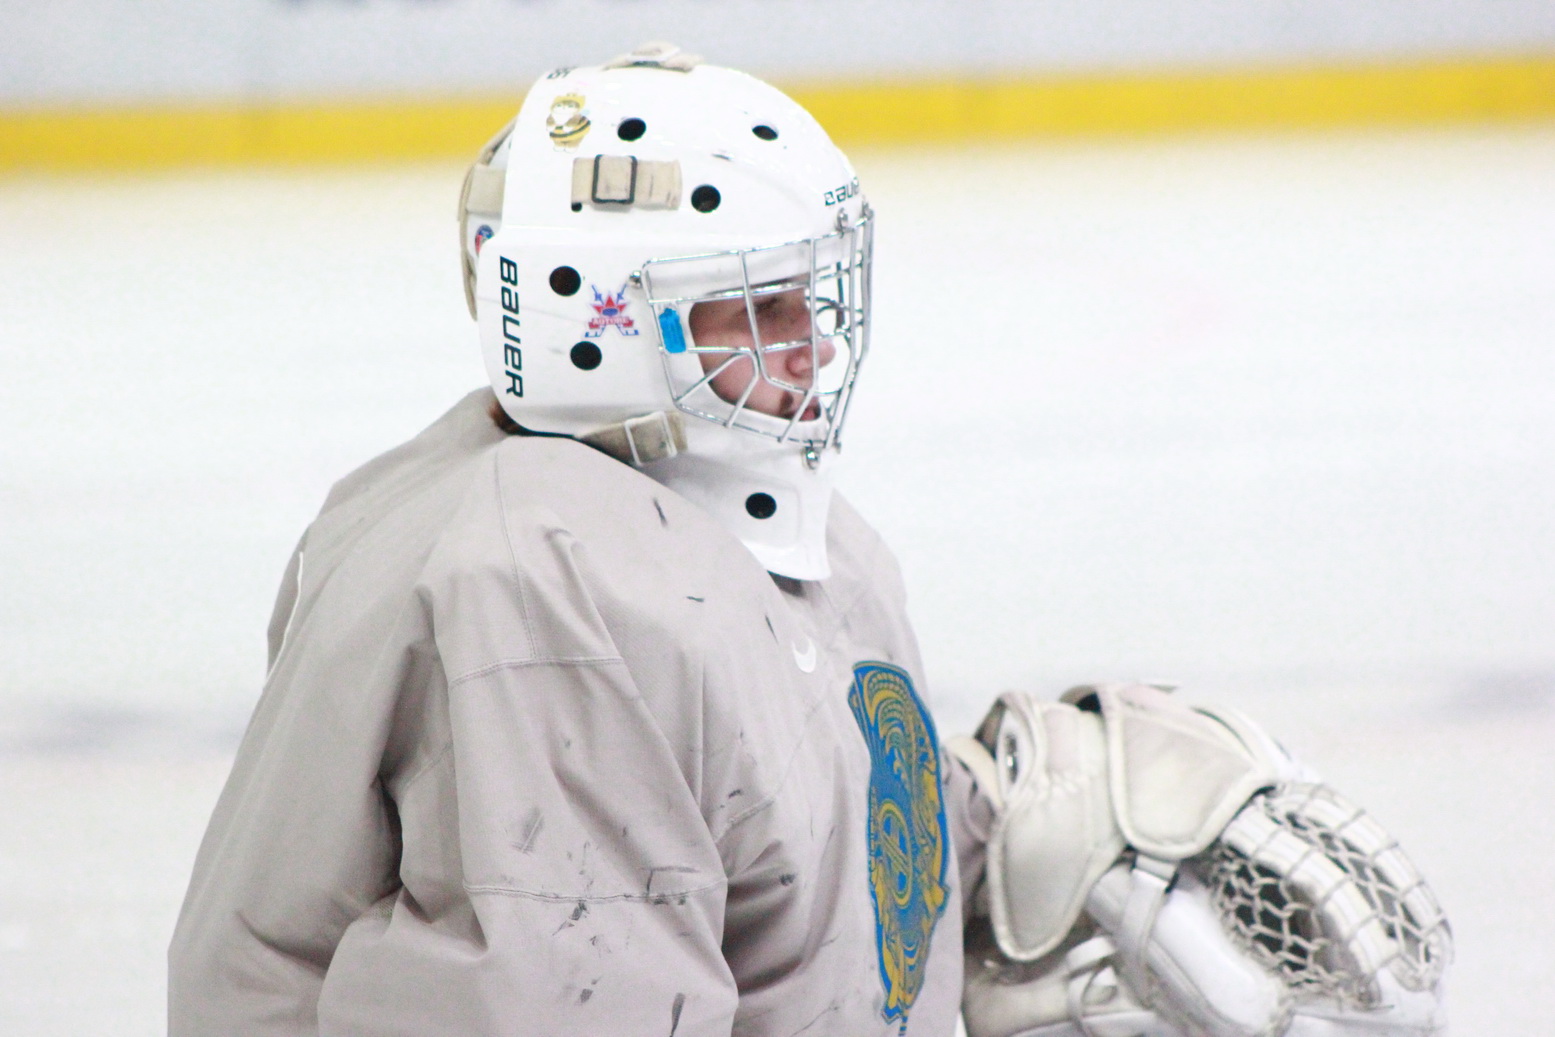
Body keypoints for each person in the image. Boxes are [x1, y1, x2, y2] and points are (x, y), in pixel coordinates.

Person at [170, 43, 1450, 1037]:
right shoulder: (536, 585)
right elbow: (572, 983)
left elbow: (779, 837)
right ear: (588, 321)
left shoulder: (770, 533)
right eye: (754, 307)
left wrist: (1010, 832)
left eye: (810, 294)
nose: (812, 345)